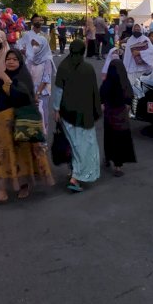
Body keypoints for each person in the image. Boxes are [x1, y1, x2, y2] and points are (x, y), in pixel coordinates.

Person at [0, 50, 54, 206]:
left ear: (20, 62)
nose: (10, 62)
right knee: (2, 154)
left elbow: (20, 97)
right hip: (2, 123)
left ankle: (24, 184)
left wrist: (6, 81)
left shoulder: (22, 76)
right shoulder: (3, 76)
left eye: (14, 59)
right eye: (8, 59)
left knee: (22, 153)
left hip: (19, 122)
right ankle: (1, 192)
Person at [54, 41, 101, 192]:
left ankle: (74, 172)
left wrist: (56, 109)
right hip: (85, 114)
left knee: (73, 144)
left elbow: (58, 91)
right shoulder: (88, 68)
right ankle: (76, 178)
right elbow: (94, 92)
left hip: (67, 113)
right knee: (84, 146)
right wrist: (96, 110)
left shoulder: (63, 66)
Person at [26, 35, 57, 132]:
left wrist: (37, 93)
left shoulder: (47, 60)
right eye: (33, 44)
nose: (34, 46)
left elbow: (46, 79)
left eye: (37, 44)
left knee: (42, 116)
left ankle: (43, 142)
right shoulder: (30, 58)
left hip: (42, 92)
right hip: (30, 91)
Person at [122, 24, 153, 113]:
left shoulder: (145, 39)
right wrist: (125, 68)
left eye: (138, 29)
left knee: (142, 89)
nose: (136, 30)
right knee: (130, 89)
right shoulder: (130, 40)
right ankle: (132, 108)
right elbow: (127, 56)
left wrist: (139, 53)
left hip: (142, 69)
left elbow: (151, 51)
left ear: (141, 30)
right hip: (131, 69)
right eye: (135, 29)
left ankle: (143, 108)